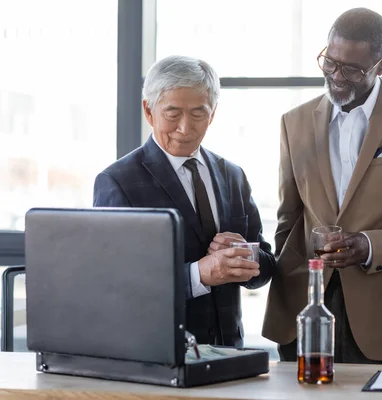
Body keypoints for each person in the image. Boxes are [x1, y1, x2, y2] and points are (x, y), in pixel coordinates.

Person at [262, 8, 382, 364]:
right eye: (329, 62)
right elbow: (288, 217)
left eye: (351, 69)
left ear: (381, 66)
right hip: (302, 307)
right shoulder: (294, 123)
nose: (336, 76)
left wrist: (370, 245)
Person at [93, 55, 275, 348]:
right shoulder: (118, 181)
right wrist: (198, 275)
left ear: (213, 113)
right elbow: (115, 283)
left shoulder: (233, 176)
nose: (185, 128)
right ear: (149, 111)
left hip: (228, 351)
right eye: (173, 113)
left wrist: (245, 257)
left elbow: (264, 268)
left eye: (198, 113)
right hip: (158, 350)